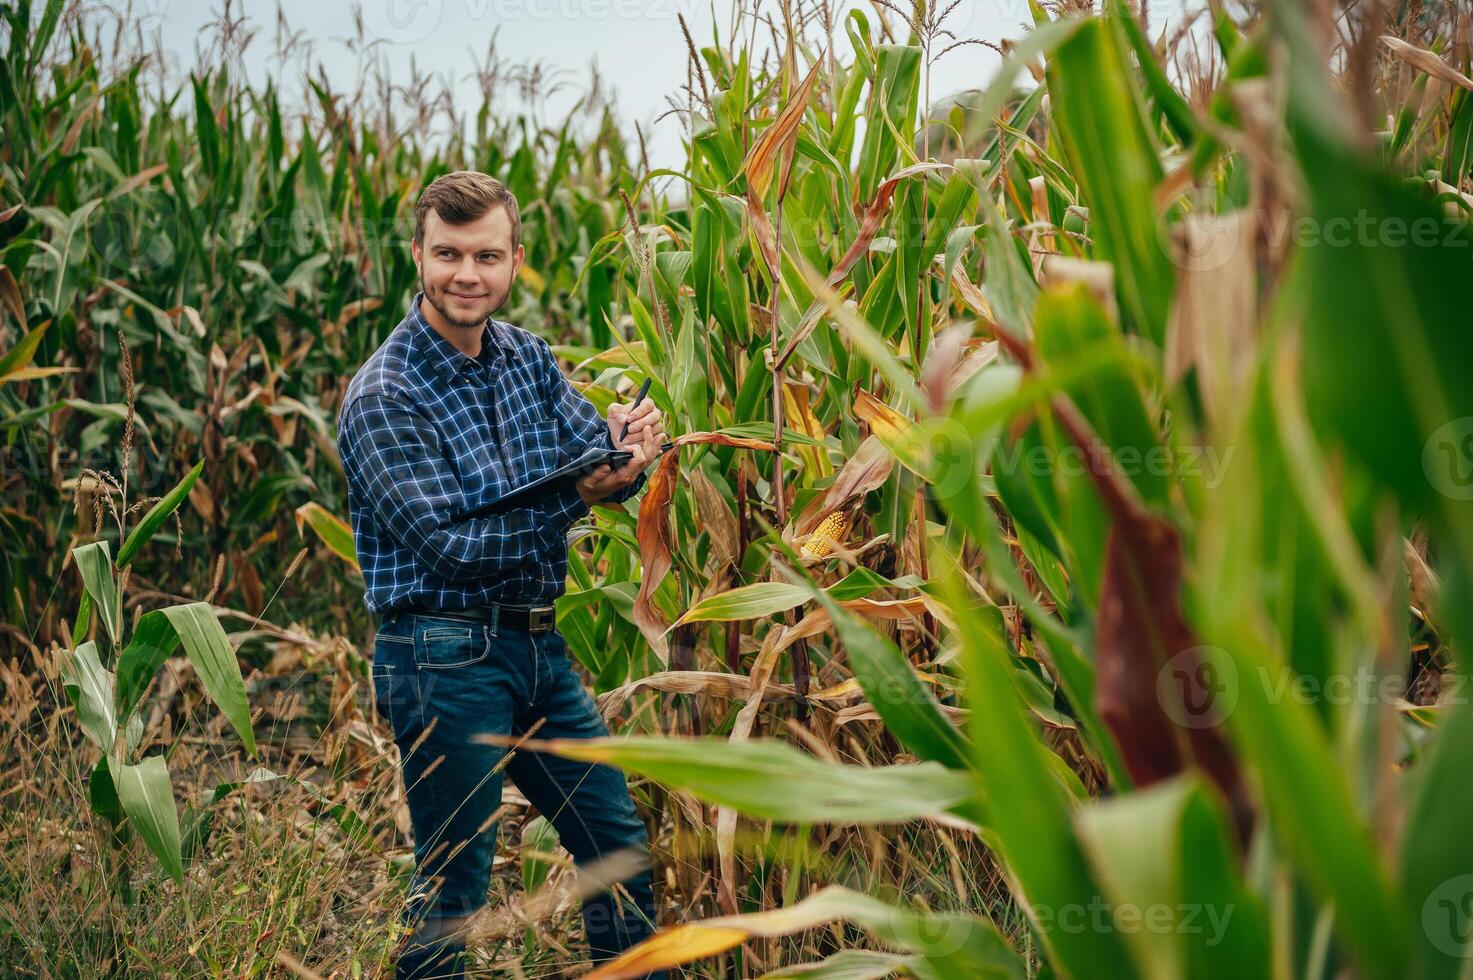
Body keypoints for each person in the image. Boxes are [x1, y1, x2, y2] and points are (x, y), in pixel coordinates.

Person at [337, 171, 669, 979]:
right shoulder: (384, 396)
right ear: (417, 256)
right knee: (455, 889)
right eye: (447, 254)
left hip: (536, 652)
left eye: (486, 256)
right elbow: (448, 548)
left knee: (617, 854)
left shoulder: (527, 357)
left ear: (514, 260)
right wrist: (578, 494)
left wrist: (624, 448)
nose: (466, 275)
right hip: (441, 658)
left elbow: (583, 457)